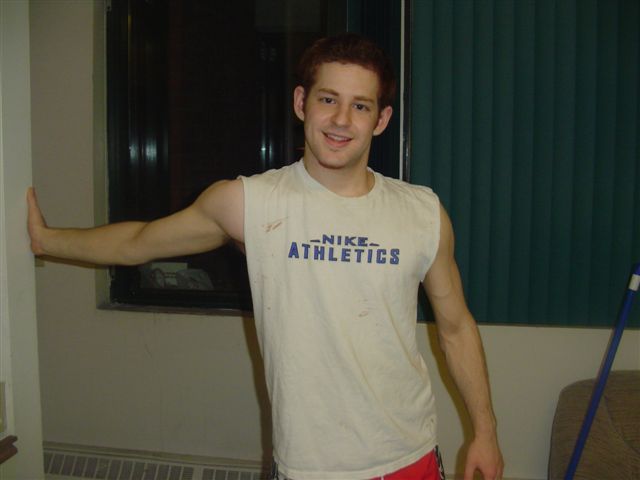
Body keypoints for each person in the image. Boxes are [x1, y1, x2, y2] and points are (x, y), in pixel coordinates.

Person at [28, 34, 503, 480]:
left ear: (381, 120)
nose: (341, 120)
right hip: (308, 466)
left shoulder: (422, 213)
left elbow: (456, 328)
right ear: (301, 103)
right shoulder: (249, 203)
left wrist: (485, 432)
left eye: (360, 105)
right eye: (328, 99)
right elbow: (138, 241)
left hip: (408, 456)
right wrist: (48, 241)